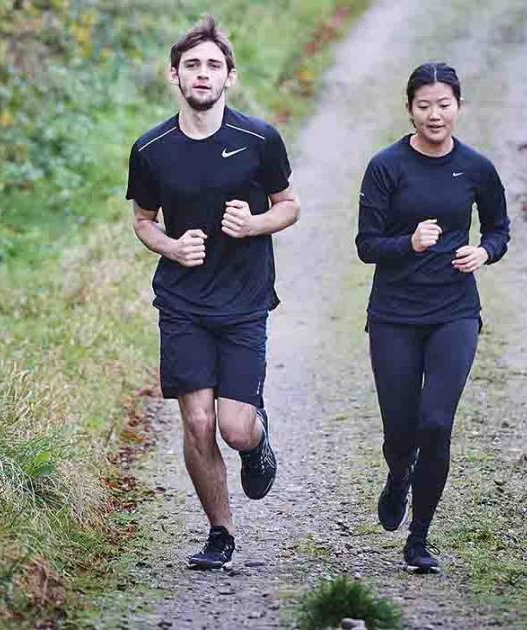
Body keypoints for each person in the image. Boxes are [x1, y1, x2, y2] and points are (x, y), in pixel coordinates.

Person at [126, 15, 300, 570]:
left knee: (233, 426)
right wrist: (170, 248)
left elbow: (289, 206)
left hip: (245, 300)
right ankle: (219, 533)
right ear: (174, 75)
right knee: (198, 423)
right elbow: (144, 219)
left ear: (230, 76)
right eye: (193, 65)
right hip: (182, 302)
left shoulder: (258, 140)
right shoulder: (151, 148)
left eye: (214, 66)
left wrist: (254, 224)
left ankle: (257, 437)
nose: (203, 74)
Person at [356, 62, 510, 573]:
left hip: (454, 311)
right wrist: (409, 243)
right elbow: (366, 245)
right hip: (395, 314)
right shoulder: (386, 166)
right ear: (410, 109)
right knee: (401, 432)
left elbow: (499, 228)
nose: (435, 115)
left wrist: (484, 253)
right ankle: (398, 474)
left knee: (436, 423)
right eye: (424, 105)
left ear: (459, 107)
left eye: (444, 105)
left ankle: (419, 539)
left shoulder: (477, 168)